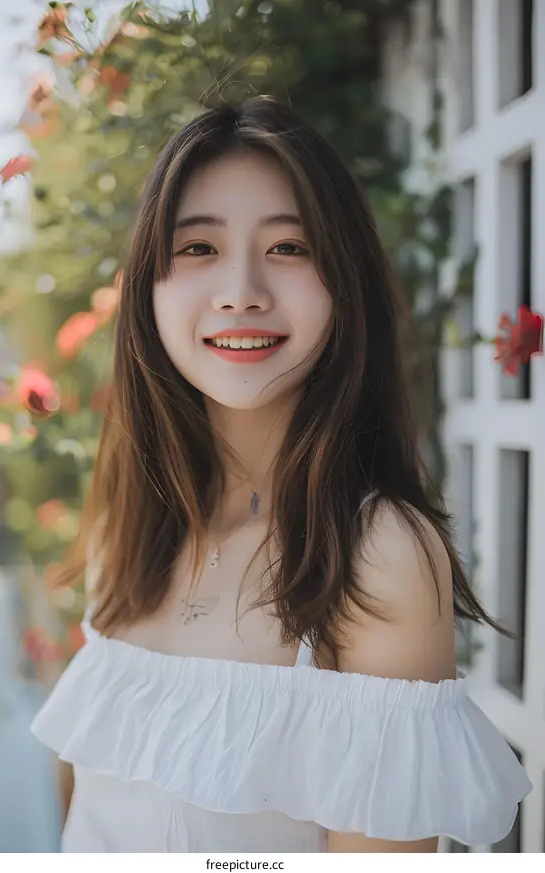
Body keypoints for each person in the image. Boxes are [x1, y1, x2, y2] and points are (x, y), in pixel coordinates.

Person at [31, 97, 532, 853]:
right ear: (149, 290)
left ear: (344, 282)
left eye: (290, 248)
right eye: (197, 248)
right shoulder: (136, 523)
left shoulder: (378, 558)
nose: (241, 290)